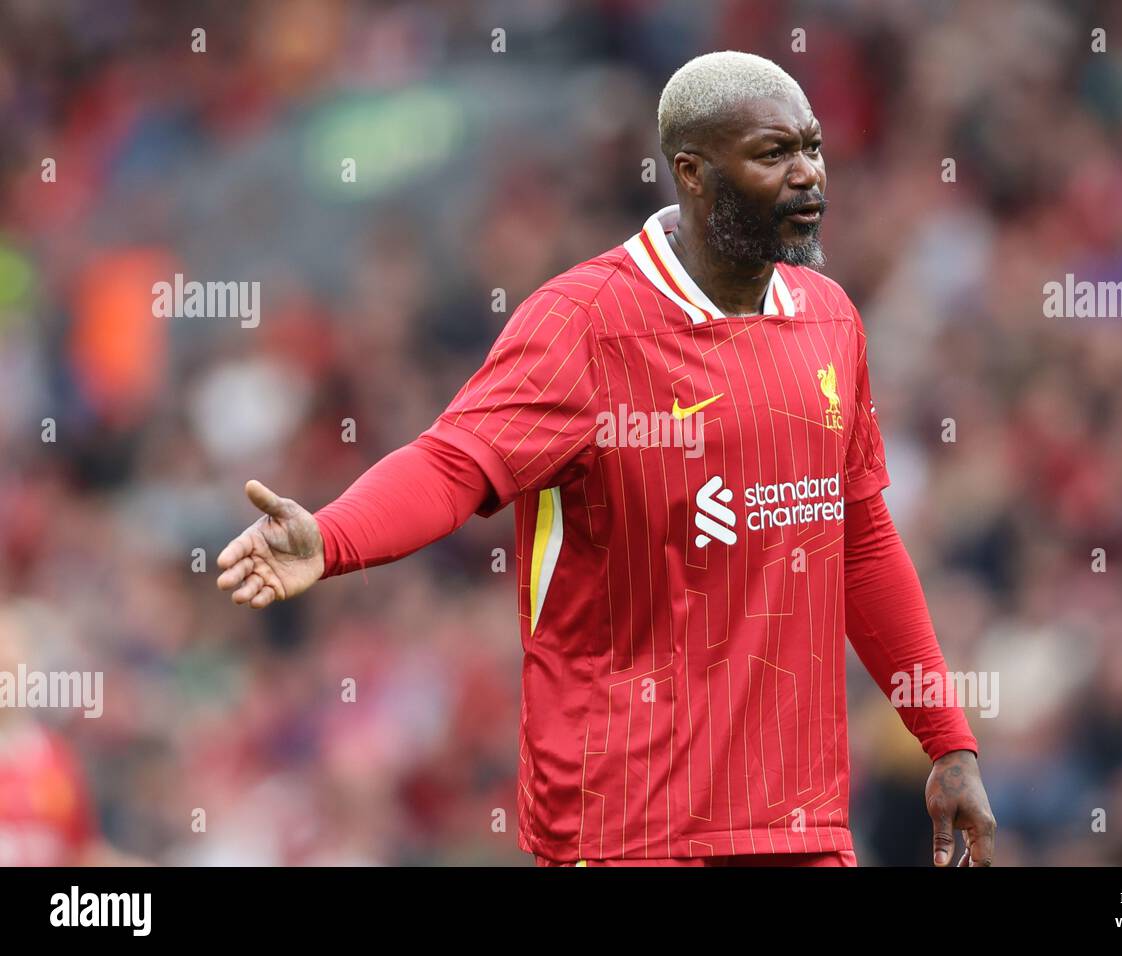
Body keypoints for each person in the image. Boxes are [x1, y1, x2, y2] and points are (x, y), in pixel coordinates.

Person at [216, 50, 996, 867]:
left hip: (798, 822)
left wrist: (947, 740)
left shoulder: (830, 318)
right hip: (630, 823)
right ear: (691, 172)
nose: (808, 176)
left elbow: (861, 540)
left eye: (814, 148)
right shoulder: (582, 324)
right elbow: (452, 464)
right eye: (774, 154)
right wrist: (332, 538)